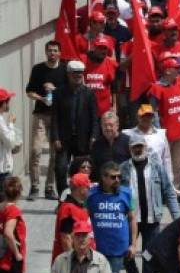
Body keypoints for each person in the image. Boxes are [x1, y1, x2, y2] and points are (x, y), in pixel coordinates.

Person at [121, 135, 180, 273]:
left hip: (151, 221)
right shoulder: (123, 169)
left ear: (146, 147)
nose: (138, 149)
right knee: (126, 255)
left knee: (149, 257)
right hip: (130, 220)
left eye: (140, 146)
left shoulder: (157, 167)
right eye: (135, 146)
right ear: (130, 149)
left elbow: (168, 191)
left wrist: (178, 218)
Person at [51, 60, 99, 194]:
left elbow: (94, 117)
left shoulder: (89, 93)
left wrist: (94, 136)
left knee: (82, 171)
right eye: (75, 73)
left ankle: (80, 198)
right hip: (63, 139)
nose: (78, 76)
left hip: (83, 139)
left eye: (80, 73)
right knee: (60, 169)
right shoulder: (59, 93)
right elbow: (54, 117)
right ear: (68, 74)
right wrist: (55, 137)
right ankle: (62, 199)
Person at [25, 39, 64, 200]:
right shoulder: (38, 69)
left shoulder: (64, 70)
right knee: (36, 150)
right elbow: (29, 92)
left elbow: (69, 92)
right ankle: (34, 186)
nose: (52, 53)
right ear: (46, 52)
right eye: (50, 50)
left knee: (55, 154)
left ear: (59, 53)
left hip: (58, 117)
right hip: (40, 114)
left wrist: (55, 90)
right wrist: (41, 98)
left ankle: (49, 187)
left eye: (55, 50)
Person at [87, 161, 137, 273]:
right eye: (113, 177)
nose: (117, 180)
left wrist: (133, 245)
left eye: (119, 176)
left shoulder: (127, 193)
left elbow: (132, 219)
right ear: (103, 178)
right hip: (96, 248)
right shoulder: (91, 194)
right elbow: (84, 218)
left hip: (118, 248)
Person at [146, 57, 180, 187]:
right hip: (165, 135)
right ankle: (162, 192)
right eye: (176, 68)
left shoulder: (179, 83)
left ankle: (175, 192)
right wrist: (158, 132)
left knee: (178, 165)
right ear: (167, 71)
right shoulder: (156, 88)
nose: (179, 71)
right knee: (164, 165)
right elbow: (152, 112)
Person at [48, 220, 115, 273]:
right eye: (78, 236)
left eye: (84, 235)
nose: (81, 239)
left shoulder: (101, 260)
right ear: (72, 238)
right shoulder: (60, 260)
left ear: (90, 238)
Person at [123, 103, 173, 181]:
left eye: (149, 116)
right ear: (138, 117)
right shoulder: (128, 134)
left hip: (157, 176)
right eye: (143, 116)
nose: (146, 118)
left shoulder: (161, 135)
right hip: (136, 176)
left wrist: (169, 179)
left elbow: (166, 159)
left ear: (153, 118)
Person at [51, 172, 93, 262]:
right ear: (81, 189)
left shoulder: (79, 206)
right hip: (70, 262)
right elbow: (66, 237)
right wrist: (73, 262)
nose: (90, 190)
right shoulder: (68, 208)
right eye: (88, 187)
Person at [0, 177, 26, 273]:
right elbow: (8, 233)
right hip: (10, 260)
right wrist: (17, 254)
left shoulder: (2, 207)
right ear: (19, 192)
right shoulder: (13, 210)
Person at [90, 111, 131, 178]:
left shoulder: (127, 141)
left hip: (124, 181)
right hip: (103, 184)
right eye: (105, 125)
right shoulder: (96, 145)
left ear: (117, 125)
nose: (108, 128)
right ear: (101, 126)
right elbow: (94, 167)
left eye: (111, 125)